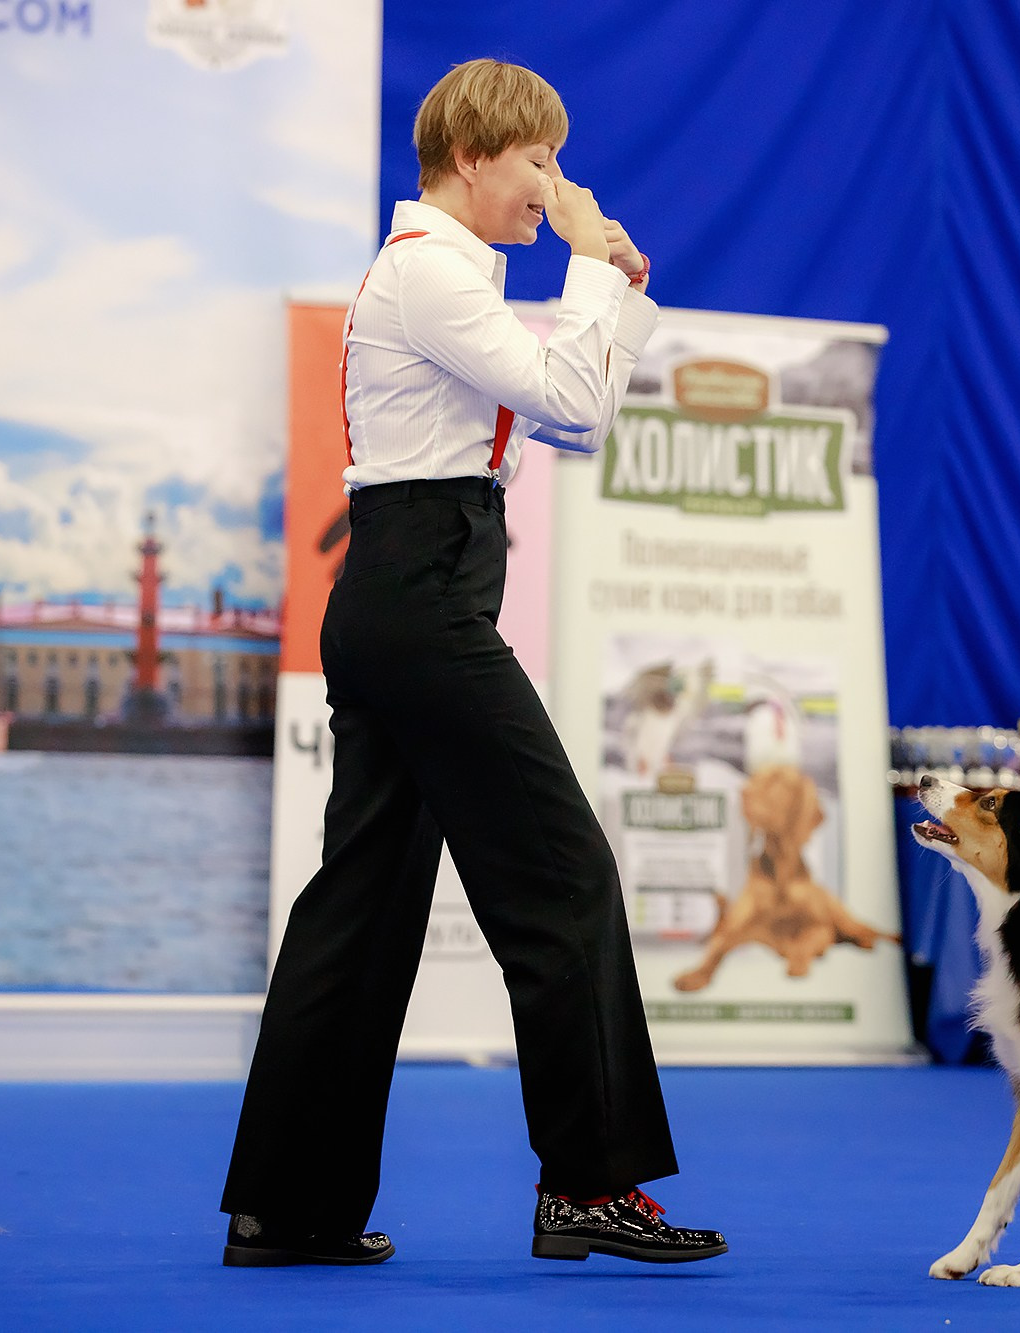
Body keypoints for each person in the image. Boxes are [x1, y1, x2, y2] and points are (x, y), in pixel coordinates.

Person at [218, 58, 726, 1268]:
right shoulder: (431, 271)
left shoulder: (450, 277)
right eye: (535, 160)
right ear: (471, 156)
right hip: (423, 594)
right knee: (561, 873)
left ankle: (287, 1206)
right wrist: (589, 259)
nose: (547, 184)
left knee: (366, 902)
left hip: (412, 588)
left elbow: (565, 406)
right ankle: (587, 1188)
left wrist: (613, 288)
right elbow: (574, 405)